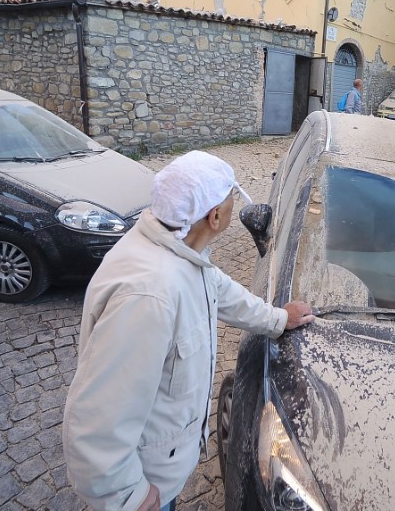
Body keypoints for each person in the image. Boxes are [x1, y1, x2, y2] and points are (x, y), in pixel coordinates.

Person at [63, 151, 316, 511]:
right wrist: (128, 496)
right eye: (230, 197)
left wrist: (278, 319)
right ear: (215, 216)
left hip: (163, 470)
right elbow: (96, 420)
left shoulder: (177, 248)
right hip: (145, 489)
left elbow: (220, 290)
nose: (232, 207)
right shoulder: (149, 295)